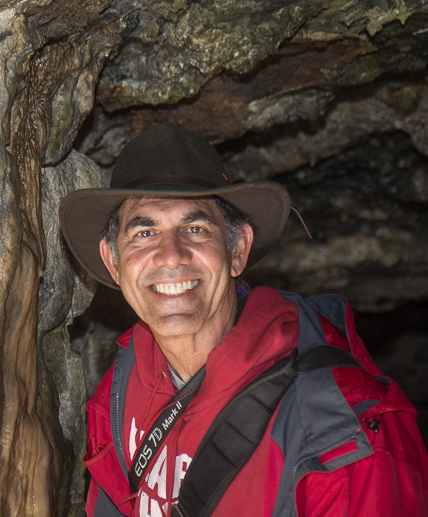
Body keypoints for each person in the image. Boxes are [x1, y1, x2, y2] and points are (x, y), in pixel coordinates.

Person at [59, 123, 428, 517]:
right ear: (114, 263)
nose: (171, 255)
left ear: (238, 251)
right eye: (145, 232)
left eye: (195, 228)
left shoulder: (338, 431)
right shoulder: (124, 382)